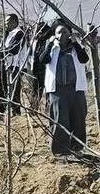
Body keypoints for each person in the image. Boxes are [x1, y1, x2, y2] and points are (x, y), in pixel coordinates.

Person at [35, 22, 89, 157]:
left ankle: (77, 148)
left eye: (65, 32)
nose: (62, 35)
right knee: (60, 120)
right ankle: (60, 151)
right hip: (58, 90)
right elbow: (43, 59)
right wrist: (50, 44)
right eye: (59, 32)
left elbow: (84, 59)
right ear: (54, 35)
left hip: (76, 89)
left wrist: (76, 43)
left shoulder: (76, 47)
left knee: (78, 118)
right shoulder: (52, 47)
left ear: (70, 33)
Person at [0, 15, 30, 117]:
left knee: (14, 91)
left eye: (8, 21)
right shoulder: (7, 34)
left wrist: (2, 51)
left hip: (14, 66)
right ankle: (2, 112)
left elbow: (14, 49)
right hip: (6, 65)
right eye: (5, 22)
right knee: (2, 89)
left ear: (15, 22)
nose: (6, 23)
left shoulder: (19, 33)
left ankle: (16, 113)